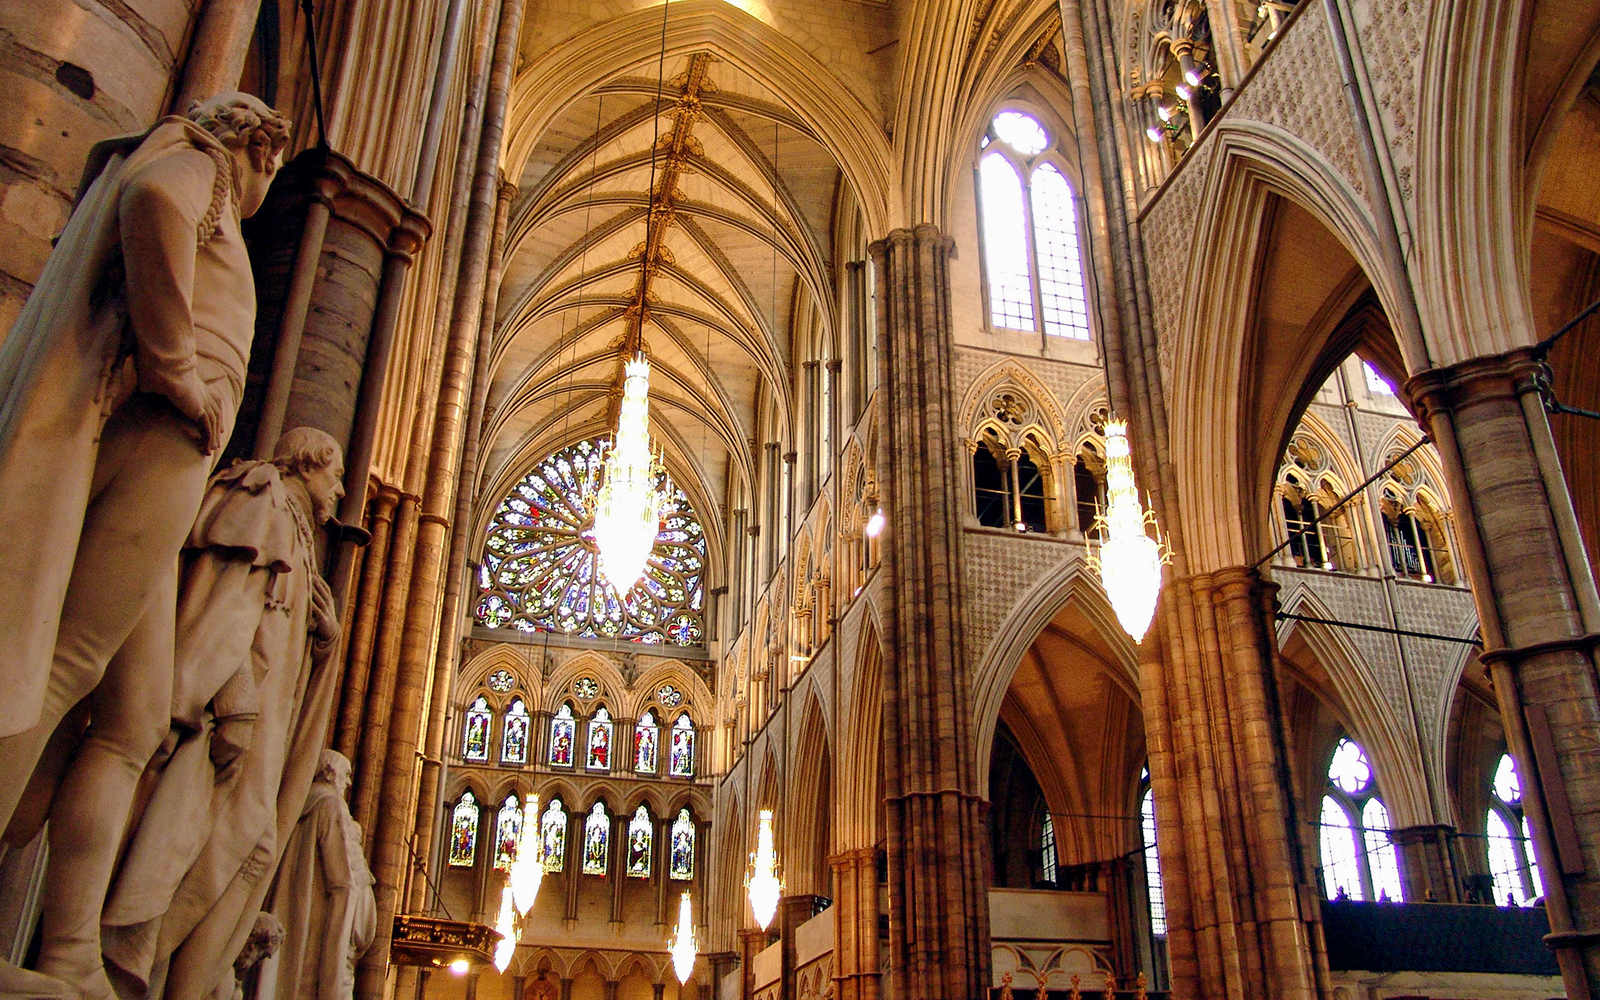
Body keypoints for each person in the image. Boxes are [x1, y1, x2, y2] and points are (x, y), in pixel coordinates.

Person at [0, 92, 291, 832]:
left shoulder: (205, 178)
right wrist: (179, 374)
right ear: (259, 149)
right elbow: (154, 200)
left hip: (171, 442)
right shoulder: (197, 163)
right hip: (164, 431)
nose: (268, 189)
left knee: (122, 707)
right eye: (273, 170)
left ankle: (65, 946)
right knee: (68, 656)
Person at [90, 428, 344, 1000]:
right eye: (338, 474)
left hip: (265, 719)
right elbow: (222, 607)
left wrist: (325, 641)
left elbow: (277, 631)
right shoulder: (261, 497)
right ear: (308, 463)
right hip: (229, 715)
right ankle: (130, 961)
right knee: (197, 836)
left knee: (251, 844)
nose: (343, 489)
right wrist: (233, 701)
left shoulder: (298, 533)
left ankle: (169, 976)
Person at [256, 750, 376, 1000]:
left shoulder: (297, 804)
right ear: (329, 773)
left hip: (295, 909)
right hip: (319, 925)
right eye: (346, 774)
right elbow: (343, 880)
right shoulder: (330, 805)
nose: (349, 782)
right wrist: (356, 927)